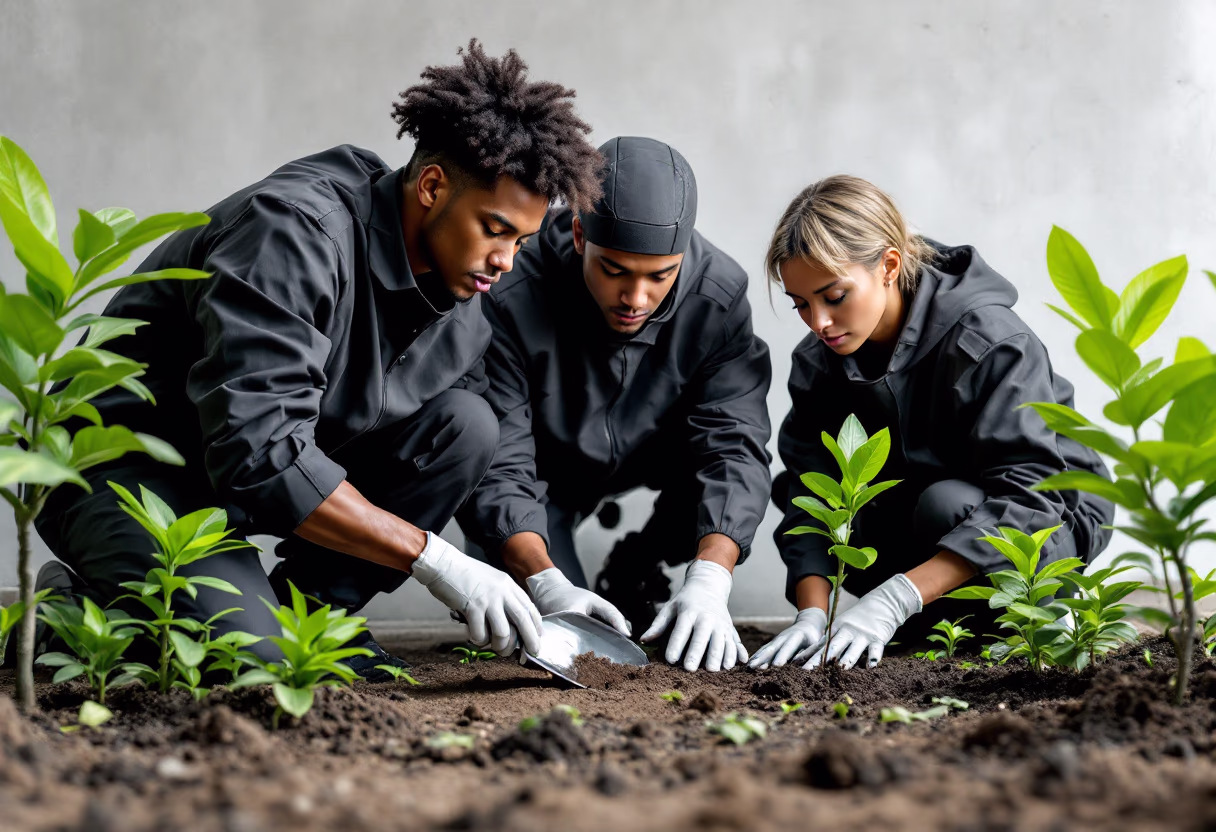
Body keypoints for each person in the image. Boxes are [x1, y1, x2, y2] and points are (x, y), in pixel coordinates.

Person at [31, 41, 604, 679]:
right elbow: (261, 452)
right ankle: (76, 608)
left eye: (522, 241)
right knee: (257, 665)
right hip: (125, 465)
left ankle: (316, 616)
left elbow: (479, 453)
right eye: (495, 229)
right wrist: (434, 558)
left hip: (239, 472)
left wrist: (545, 580)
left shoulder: (461, 286)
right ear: (433, 187)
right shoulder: (293, 232)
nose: (507, 260)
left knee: (465, 423)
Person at [750, 175, 1115, 672]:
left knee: (947, 505)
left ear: (889, 265)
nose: (818, 322)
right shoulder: (819, 363)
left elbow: (1032, 494)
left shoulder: (987, 341)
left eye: (834, 296)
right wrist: (814, 614)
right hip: (922, 516)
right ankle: (940, 614)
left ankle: (1038, 612)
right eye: (801, 305)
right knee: (853, 515)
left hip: (1046, 520)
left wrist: (895, 598)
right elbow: (807, 494)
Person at [459, 136, 772, 673]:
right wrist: (546, 582)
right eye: (616, 271)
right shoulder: (511, 286)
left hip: (653, 455)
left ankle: (635, 567)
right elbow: (499, 452)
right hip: (543, 471)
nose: (636, 299)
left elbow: (734, 446)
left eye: (660, 276)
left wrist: (711, 577)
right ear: (580, 234)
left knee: (713, 477)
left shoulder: (718, 295)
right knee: (564, 638)